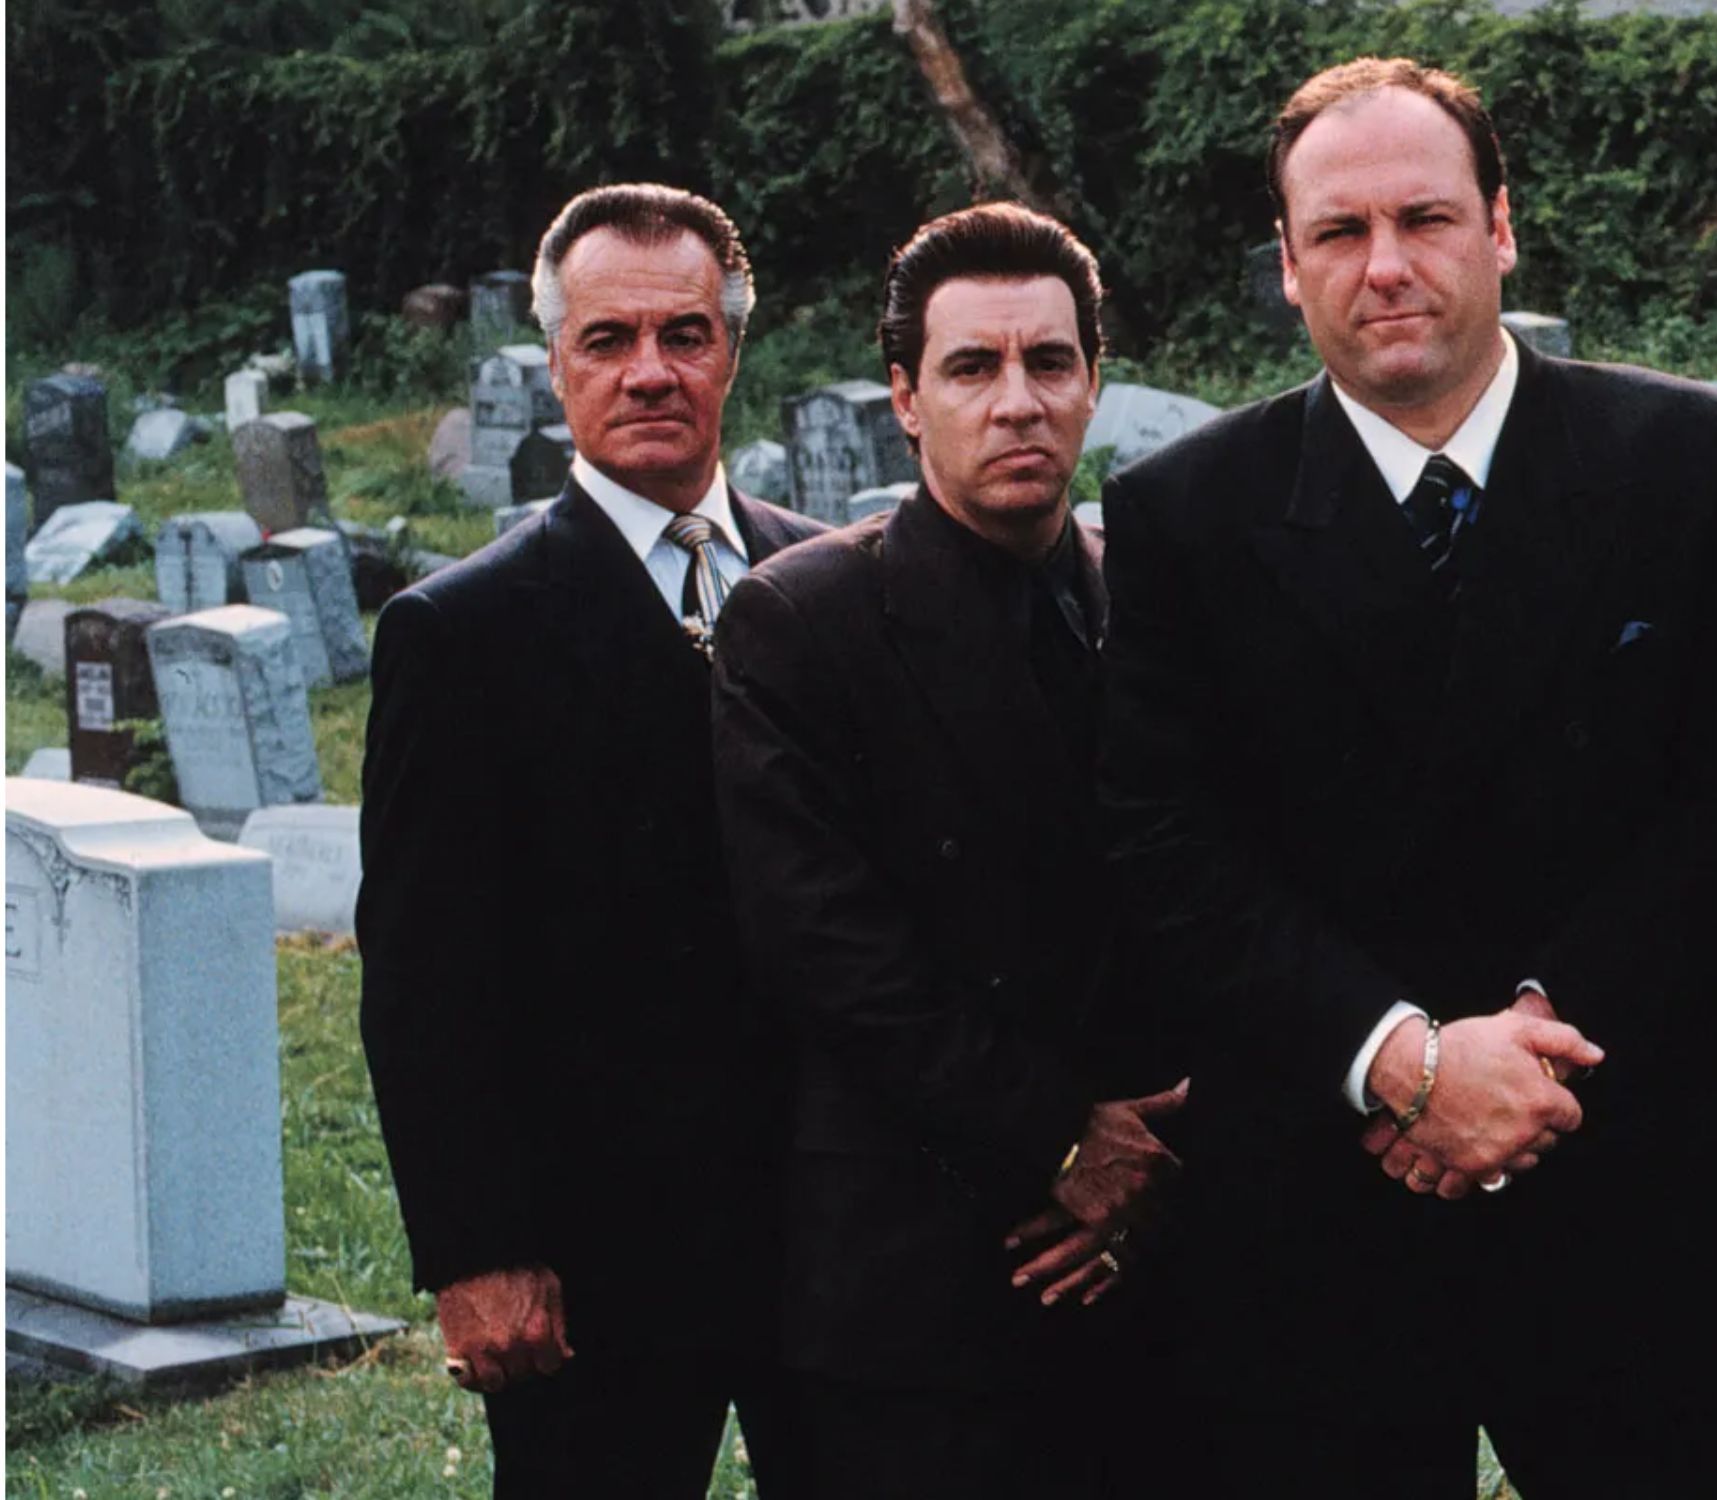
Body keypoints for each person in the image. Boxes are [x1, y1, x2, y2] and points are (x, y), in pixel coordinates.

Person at [1095, 55, 1717, 1498]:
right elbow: (1166, 841)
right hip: (1320, 1203)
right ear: (1287, 271)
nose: (1387, 266)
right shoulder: (1183, 513)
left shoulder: (1689, 461)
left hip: (1622, 1180)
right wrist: (1404, 1060)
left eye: (1424, 218)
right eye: (1339, 235)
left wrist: (1537, 1030)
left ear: (1501, 227)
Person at [707, 202, 1184, 1496]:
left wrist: (1148, 1164)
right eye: (974, 368)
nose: (1017, 401)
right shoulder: (805, 619)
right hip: (923, 1277)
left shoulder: (1156, 597)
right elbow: (825, 945)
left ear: (1095, 385)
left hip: (1160, 1249)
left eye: (1051, 363)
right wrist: (1062, 1146)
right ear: (907, 399)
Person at [357, 183, 824, 1497]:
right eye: (608, 341)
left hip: (832, 1224)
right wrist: (474, 1247)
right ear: (555, 360)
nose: (651, 372)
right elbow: (423, 969)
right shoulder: (464, 633)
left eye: (685, 335)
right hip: (593, 1252)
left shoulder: (833, 579)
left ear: (733, 348)